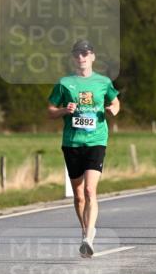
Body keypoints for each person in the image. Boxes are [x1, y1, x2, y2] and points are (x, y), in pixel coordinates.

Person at [47, 39, 120, 258]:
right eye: (78, 54)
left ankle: (89, 237)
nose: (82, 57)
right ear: (73, 58)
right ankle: (84, 229)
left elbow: (115, 101)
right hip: (72, 142)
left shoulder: (103, 82)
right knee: (78, 196)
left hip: (96, 140)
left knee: (90, 190)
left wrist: (112, 109)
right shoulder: (65, 83)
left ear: (92, 57)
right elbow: (50, 110)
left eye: (85, 53)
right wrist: (63, 111)